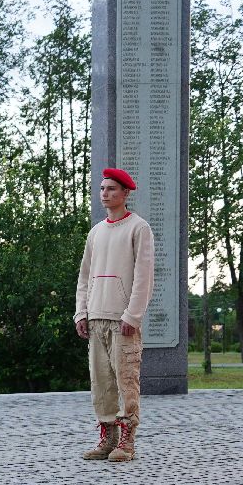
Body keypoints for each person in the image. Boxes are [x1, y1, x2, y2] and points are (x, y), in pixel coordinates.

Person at [75, 167, 154, 462]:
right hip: (96, 317)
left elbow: (143, 276)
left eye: (111, 189)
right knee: (101, 382)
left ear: (125, 193)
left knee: (126, 380)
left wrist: (132, 316)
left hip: (123, 321)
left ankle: (127, 441)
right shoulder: (96, 232)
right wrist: (81, 312)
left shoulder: (138, 228)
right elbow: (85, 276)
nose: (104, 194)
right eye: (102, 189)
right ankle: (107, 439)